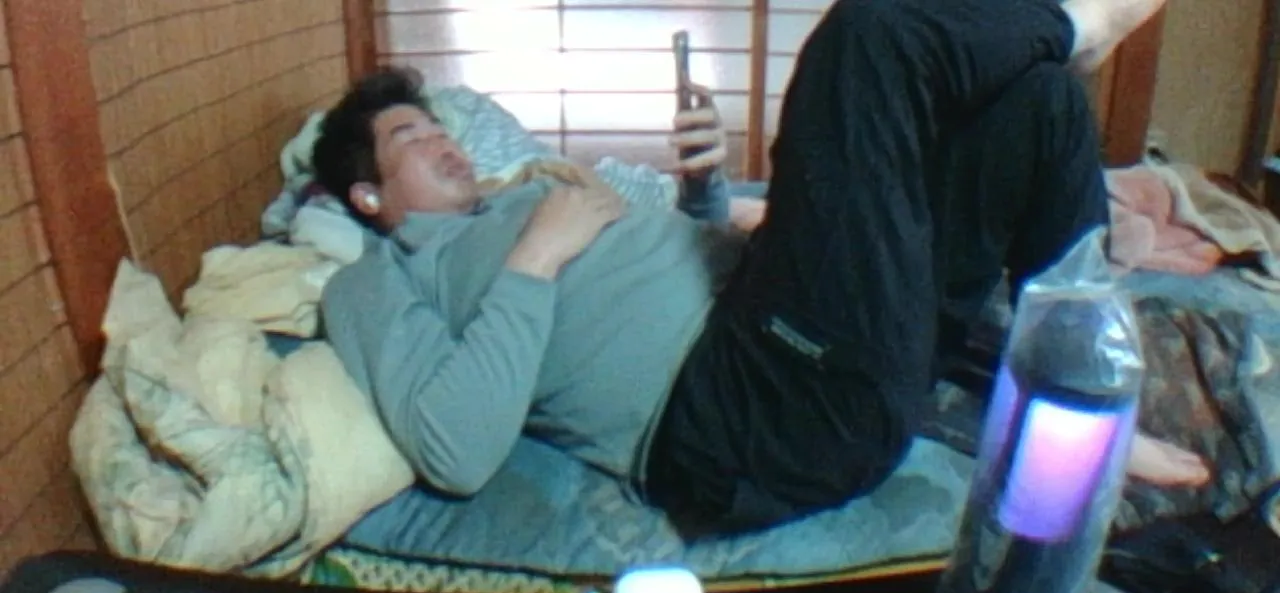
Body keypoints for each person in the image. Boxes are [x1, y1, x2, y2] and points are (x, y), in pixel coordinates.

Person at [313, 0, 1206, 539]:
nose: (446, 143)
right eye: (411, 136)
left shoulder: (533, 185)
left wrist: (704, 185)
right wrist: (536, 256)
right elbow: (457, 450)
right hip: (747, 412)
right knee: (867, 37)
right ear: (366, 194)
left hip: (793, 316)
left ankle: (1082, 393)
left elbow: (674, 256)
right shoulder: (375, 279)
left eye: (440, 127)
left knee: (1036, 102)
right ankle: (1071, 23)